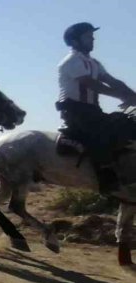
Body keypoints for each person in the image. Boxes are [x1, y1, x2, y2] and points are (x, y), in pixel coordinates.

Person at [56, 23, 136, 193]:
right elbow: (92, 84)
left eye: (92, 37)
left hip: (92, 110)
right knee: (100, 134)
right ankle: (106, 177)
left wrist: (132, 95)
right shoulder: (72, 61)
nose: (92, 40)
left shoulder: (94, 63)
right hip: (74, 111)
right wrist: (121, 96)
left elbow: (113, 82)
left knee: (125, 123)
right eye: (88, 37)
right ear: (75, 41)